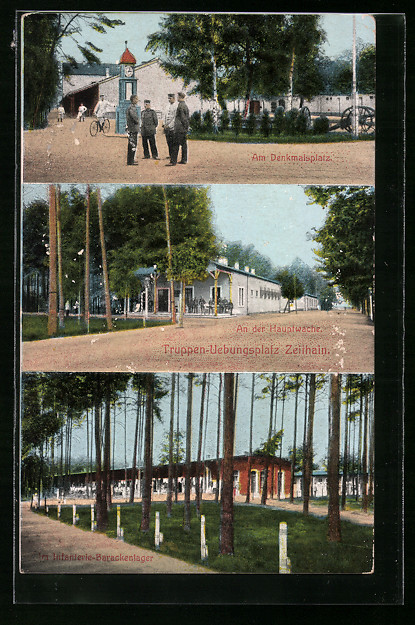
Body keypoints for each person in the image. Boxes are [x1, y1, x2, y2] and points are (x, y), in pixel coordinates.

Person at [168, 92, 190, 166]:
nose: (177, 98)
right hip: (183, 129)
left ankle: (173, 161)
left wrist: (184, 126)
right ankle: (184, 160)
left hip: (179, 128)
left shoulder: (180, 106)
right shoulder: (185, 105)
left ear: (180, 97)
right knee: (184, 144)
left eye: (178, 97)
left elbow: (183, 118)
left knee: (175, 145)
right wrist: (186, 127)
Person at [163, 93, 178, 162]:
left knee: (173, 143)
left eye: (170, 98)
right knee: (168, 142)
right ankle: (170, 155)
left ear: (174, 98)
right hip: (166, 128)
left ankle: (173, 158)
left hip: (172, 128)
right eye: (168, 98)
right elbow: (164, 116)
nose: (169, 100)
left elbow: (175, 118)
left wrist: (169, 126)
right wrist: (164, 124)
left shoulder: (176, 107)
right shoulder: (167, 106)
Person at [126, 94, 140, 166]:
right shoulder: (132, 108)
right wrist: (138, 121)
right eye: (136, 99)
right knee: (133, 145)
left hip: (131, 128)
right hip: (133, 128)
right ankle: (131, 161)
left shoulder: (130, 107)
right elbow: (134, 117)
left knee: (132, 144)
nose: (137, 100)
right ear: (133, 100)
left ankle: (131, 160)